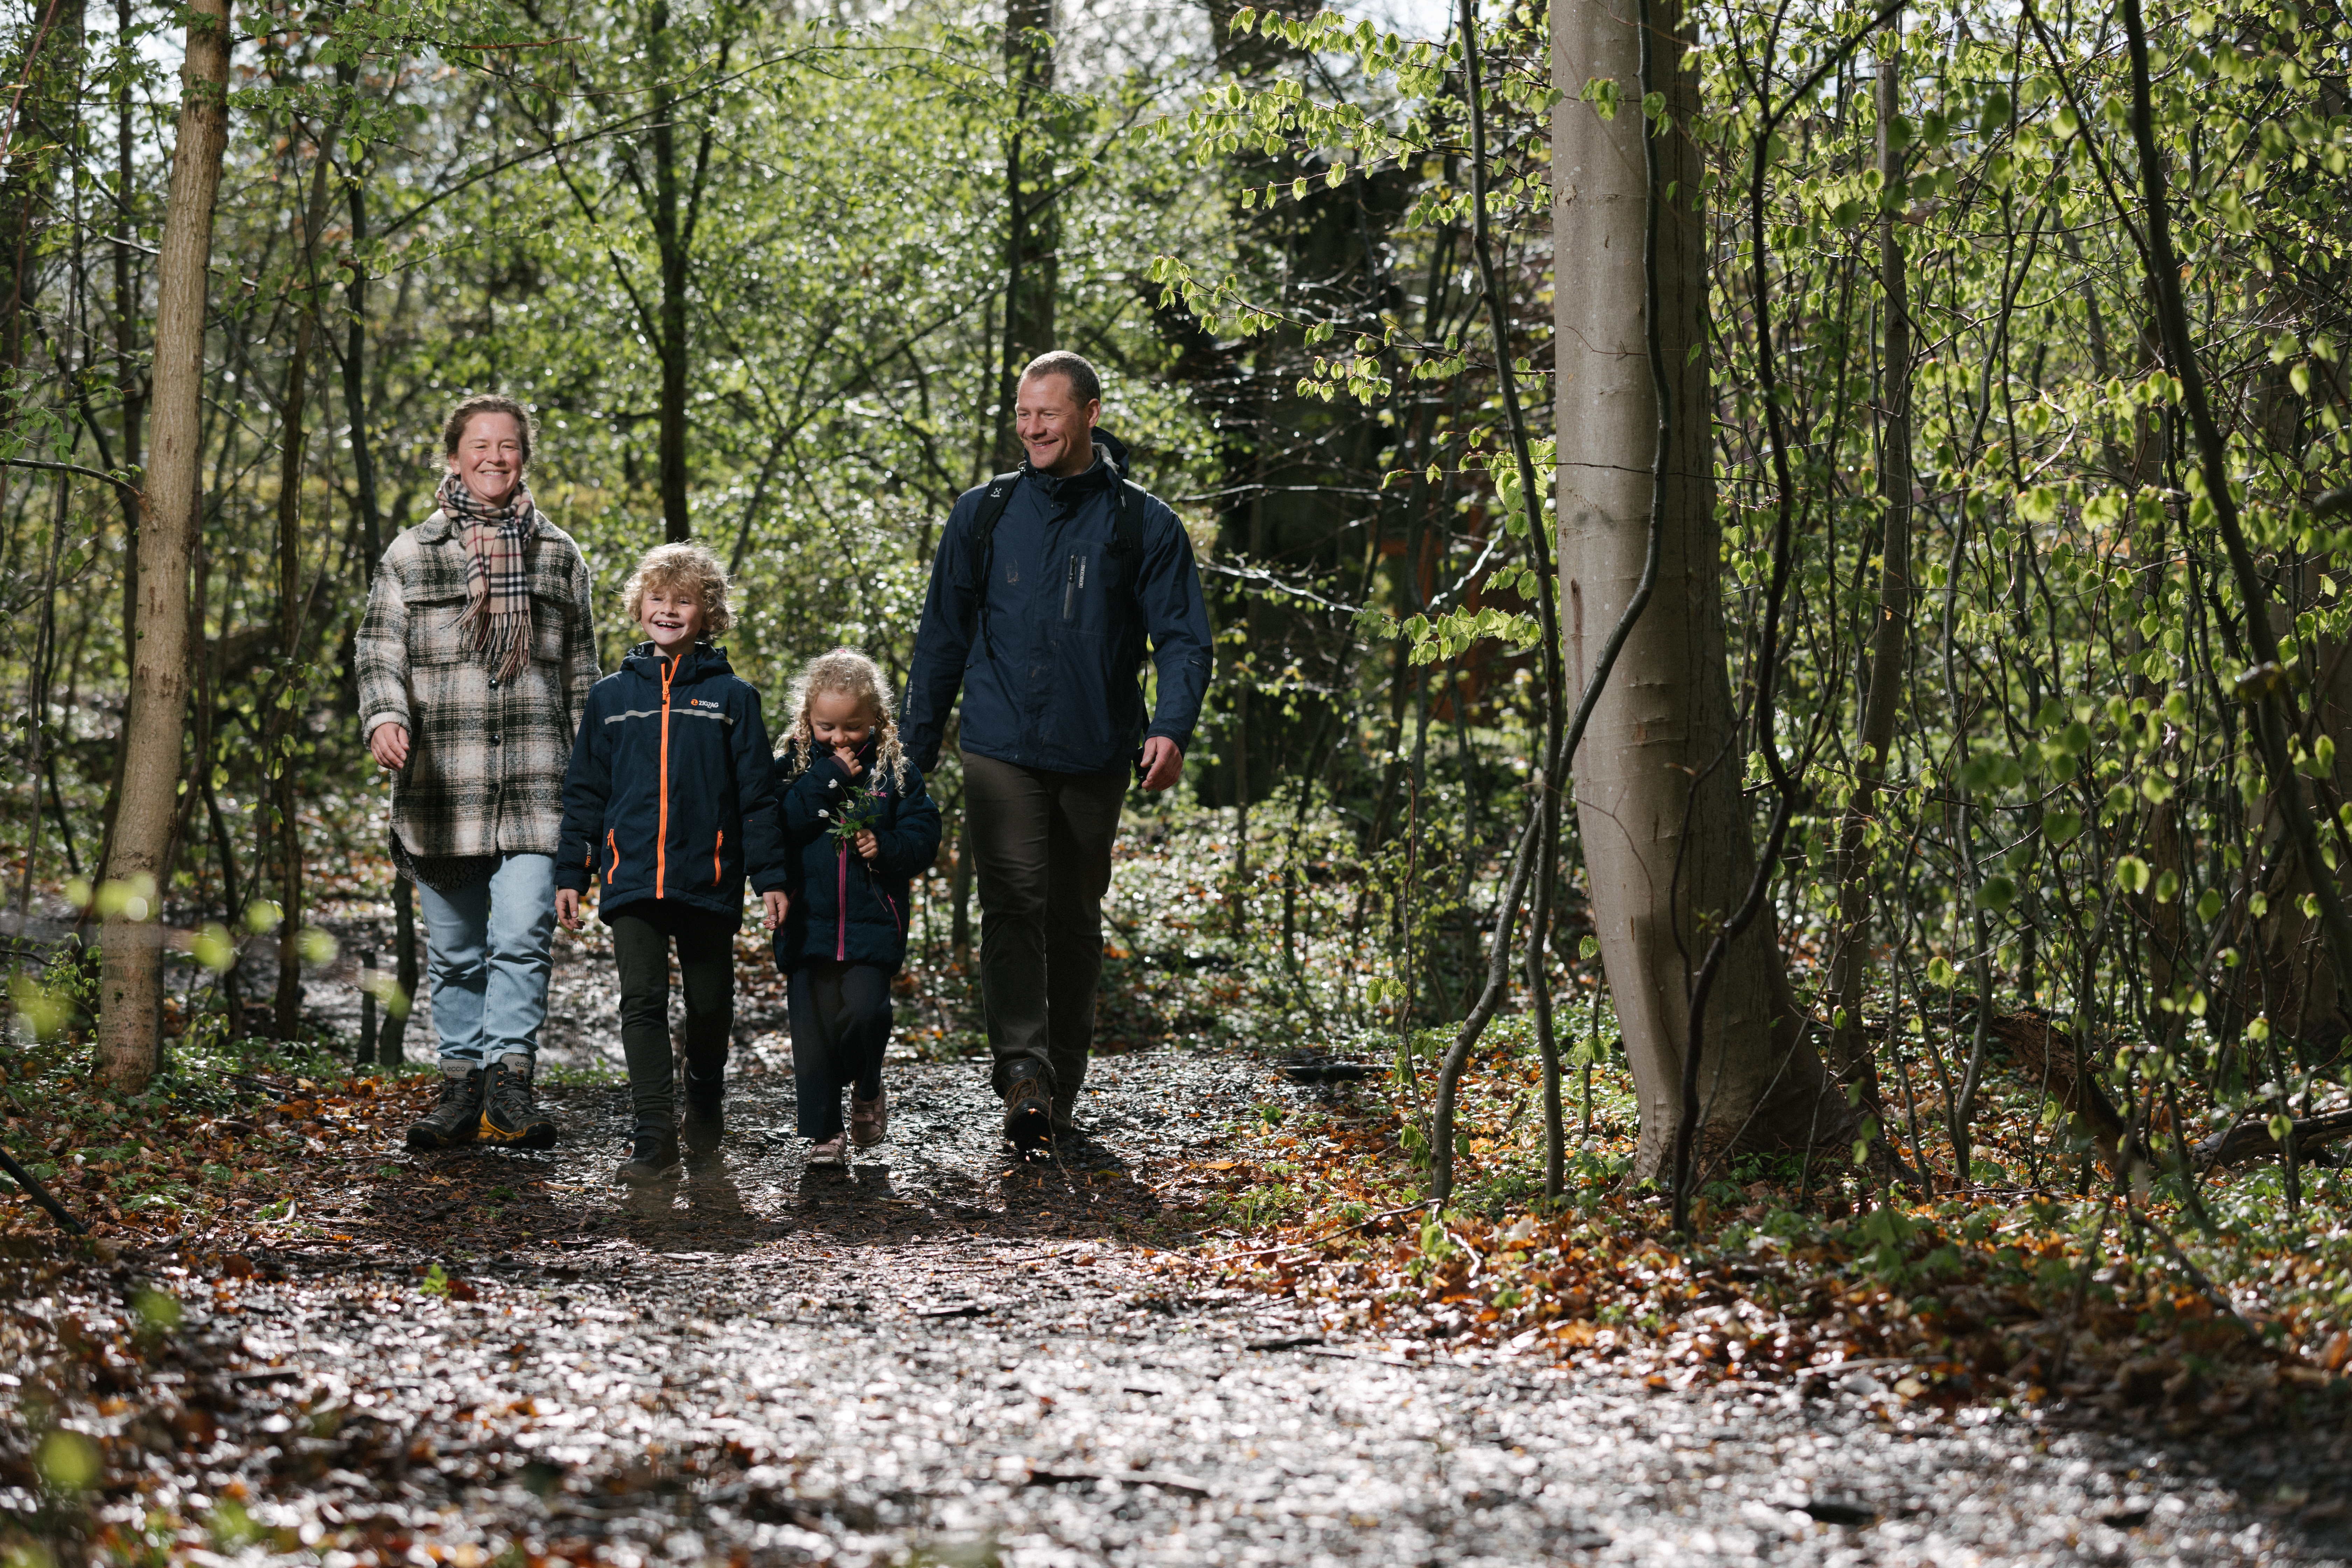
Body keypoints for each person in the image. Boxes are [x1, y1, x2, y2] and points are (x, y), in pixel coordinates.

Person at [901, 350, 1212, 1151]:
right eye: (1023, 413)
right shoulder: (985, 513)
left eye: (1049, 413)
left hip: (1096, 747)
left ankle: (1061, 1081)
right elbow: (942, 636)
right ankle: (1023, 1071)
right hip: (1000, 739)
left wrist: (1170, 725)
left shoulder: (1143, 521)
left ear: (1090, 415)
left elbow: (1182, 638)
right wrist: (916, 745)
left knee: (1073, 914)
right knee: (1011, 899)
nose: (1033, 427)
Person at [358, 394, 601, 1151]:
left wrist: (599, 783)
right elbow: (378, 653)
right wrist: (385, 716)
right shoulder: (411, 554)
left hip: (537, 787)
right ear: (455, 455)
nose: (495, 458)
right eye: (480, 445)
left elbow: (586, 679)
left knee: (522, 937)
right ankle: (460, 1087)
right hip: (442, 788)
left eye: (509, 446)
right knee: (458, 953)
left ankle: (511, 1085)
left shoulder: (559, 555)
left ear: (523, 455)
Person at [555, 543, 790, 1183]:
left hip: (707, 877)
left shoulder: (733, 698)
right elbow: (584, 794)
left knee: (712, 1007)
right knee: (642, 1002)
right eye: (657, 598)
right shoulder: (610, 699)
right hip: (630, 879)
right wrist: (572, 872)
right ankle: (653, 1134)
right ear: (639, 607)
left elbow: (757, 797)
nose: (668, 610)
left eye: (683, 600)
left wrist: (770, 877)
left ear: (707, 612)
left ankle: (704, 1093)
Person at [772, 649, 941, 1167]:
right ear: (808, 719)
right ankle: (825, 1133)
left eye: (853, 727)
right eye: (827, 727)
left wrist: (886, 848)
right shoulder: (792, 769)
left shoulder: (895, 771)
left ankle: (867, 1085)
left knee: (870, 1014)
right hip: (807, 925)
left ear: (876, 721)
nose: (841, 738)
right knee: (812, 1032)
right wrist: (826, 774)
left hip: (872, 926)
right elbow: (778, 825)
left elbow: (924, 836)